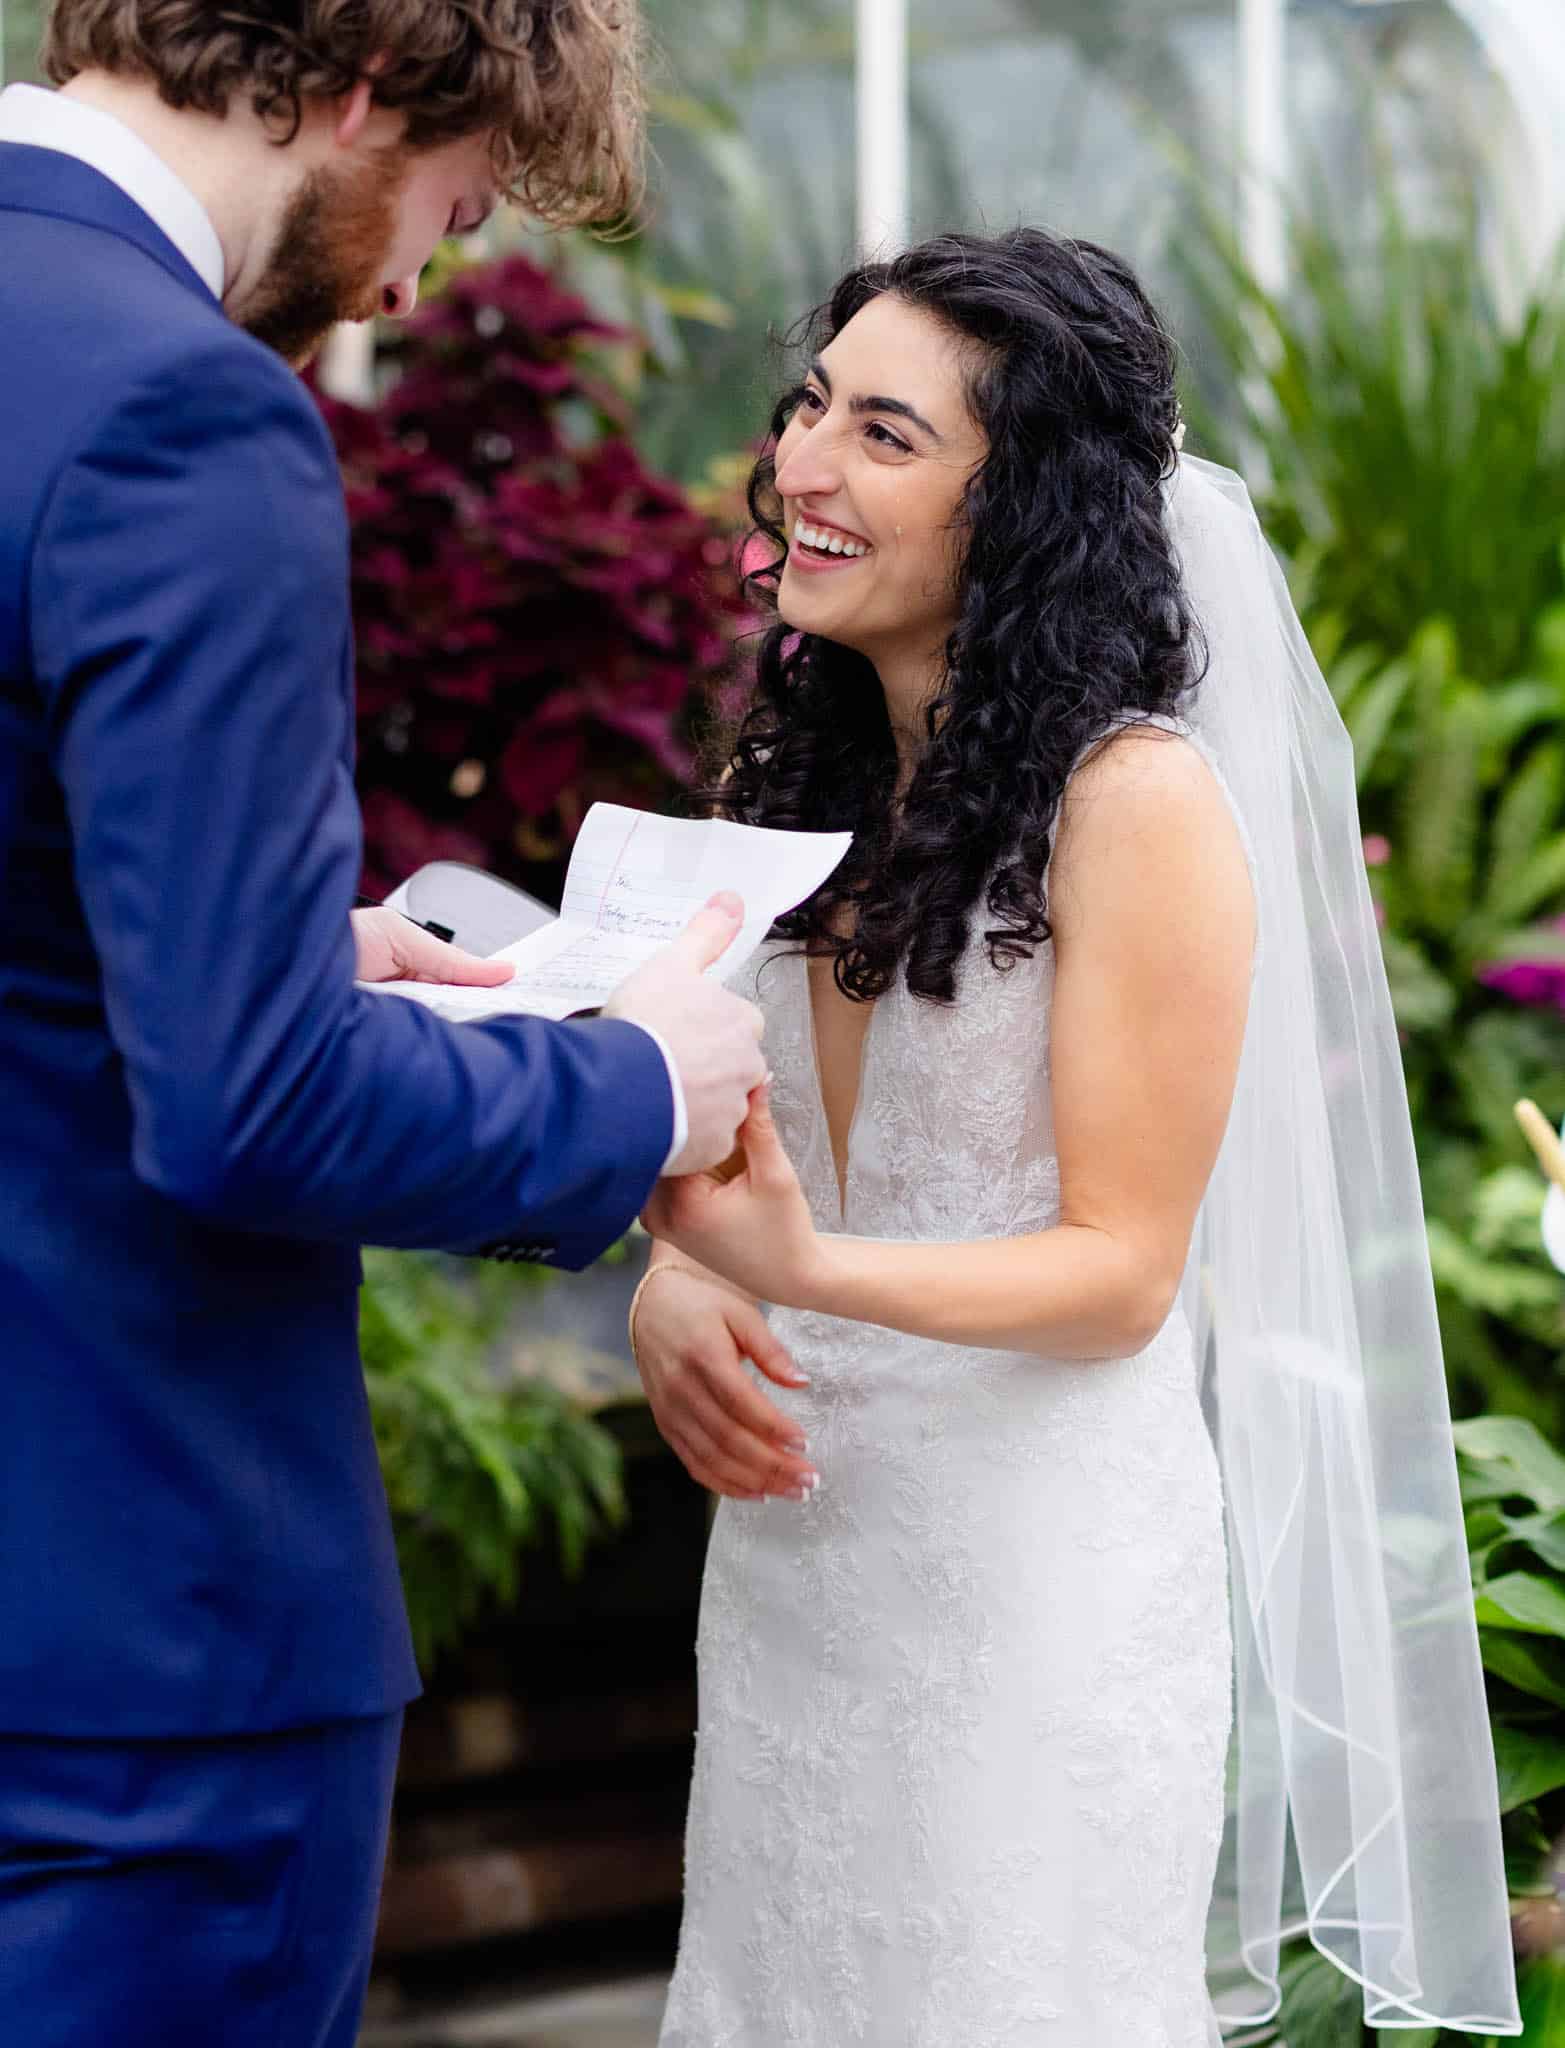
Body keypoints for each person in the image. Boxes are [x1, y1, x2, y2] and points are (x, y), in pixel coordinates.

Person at [0, 4, 815, 2043]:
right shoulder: (181, 407)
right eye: (448, 212)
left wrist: (251, 936)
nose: (402, 286)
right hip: (125, 1667)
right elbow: (252, 1105)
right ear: (362, 85)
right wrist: (633, 1077)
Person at [633, 230, 1521, 2042]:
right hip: (799, 1556)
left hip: (1031, 1581)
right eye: (811, 406)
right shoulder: (781, 783)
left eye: (883, 435)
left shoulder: (1136, 807)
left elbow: (1119, 1277)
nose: (800, 461)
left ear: (1020, 504)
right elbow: (706, 1146)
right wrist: (669, 1280)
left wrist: (795, 1269)